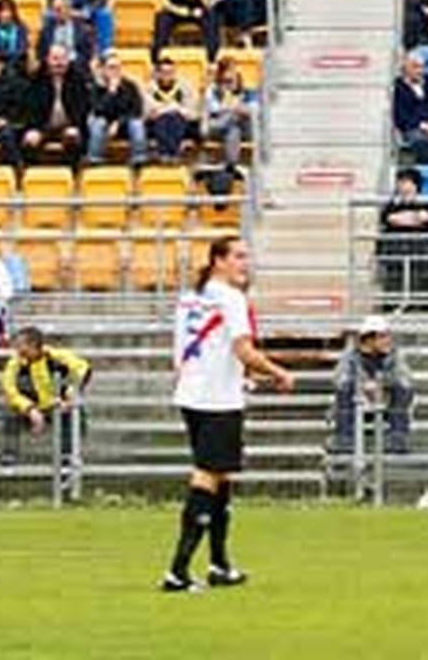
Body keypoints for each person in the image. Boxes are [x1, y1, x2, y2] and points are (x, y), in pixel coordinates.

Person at [164, 237, 295, 591]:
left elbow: (183, 348)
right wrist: (278, 372)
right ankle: (177, 569)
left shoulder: (192, 297)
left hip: (192, 393)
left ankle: (219, 565)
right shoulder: (231, 298)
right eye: (238, 256)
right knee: (207, 478)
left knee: (220, 478)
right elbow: (243, 349)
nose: (244, 263)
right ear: (218, 261)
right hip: (218, 399)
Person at [1, 326, 90, 472]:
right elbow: (9, 388)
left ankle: (67, 459)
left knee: (75, 413)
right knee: (10, 413)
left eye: (20, 345)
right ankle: (10, 456)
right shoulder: (15, 363)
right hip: (32, 408)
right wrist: (30, 409)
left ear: (33, 344)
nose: (17, 349)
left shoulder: (56, 356)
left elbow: (83, 368)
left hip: (58, 406)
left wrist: (70, 396)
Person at [331, 316, 413, 458]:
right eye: (382, 336)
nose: (387, 340)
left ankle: (397, 437)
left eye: (386, 335)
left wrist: (383, 384)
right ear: (369, 339)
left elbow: (406, 379)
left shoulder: (394, 354)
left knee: (402, 389)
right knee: (345, 388)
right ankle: (345, 437)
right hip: (357, 401)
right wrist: (362, 384)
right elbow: (339, 379)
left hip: (385, 401)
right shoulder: (352, 354)